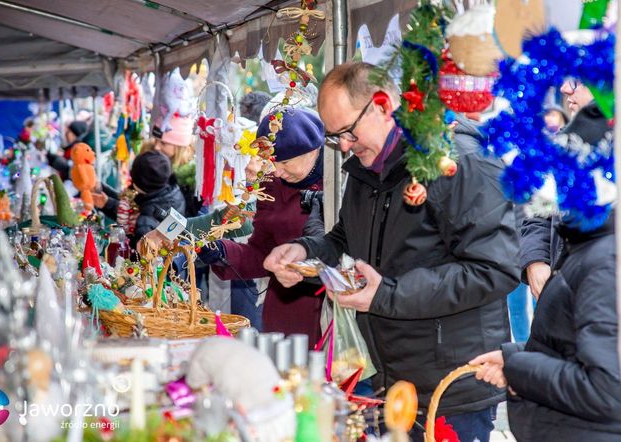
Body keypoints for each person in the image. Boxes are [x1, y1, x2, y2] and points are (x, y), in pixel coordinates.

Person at [263, 62, 520, 441]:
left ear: (383, 106)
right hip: (391, 378)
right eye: (336, 138)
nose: (345, 146)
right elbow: (343, 239)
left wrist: (387, 295)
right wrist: (303, 251)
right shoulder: (366, 170)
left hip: (450, 387)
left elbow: (494, 269)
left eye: (348, 132)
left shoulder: (458, 162)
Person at [471, 211, 621, 441]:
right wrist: (516, 357)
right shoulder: (590, 246)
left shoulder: (604, 264)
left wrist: (517, 365)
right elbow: (574, 350)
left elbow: (605, 388)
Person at [195, 108, 326, 345]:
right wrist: (224, 252)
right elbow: (262, 253)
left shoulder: (341, 182)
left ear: (314, 150)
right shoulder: (273, 186)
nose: (277, 171)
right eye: (273, 162)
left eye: (285, 162)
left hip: (332, 314)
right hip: (286, 317)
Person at [521, 80, 597, 299]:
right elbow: (537, 211)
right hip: (560, 300)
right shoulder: (559, 146)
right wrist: (536, 259)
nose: (565, 89)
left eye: (578, 80)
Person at [129, 150, 186, 248]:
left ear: (141, 184)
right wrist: (107, 203)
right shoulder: (172, 190)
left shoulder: (147, 218)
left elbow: (142, 254)